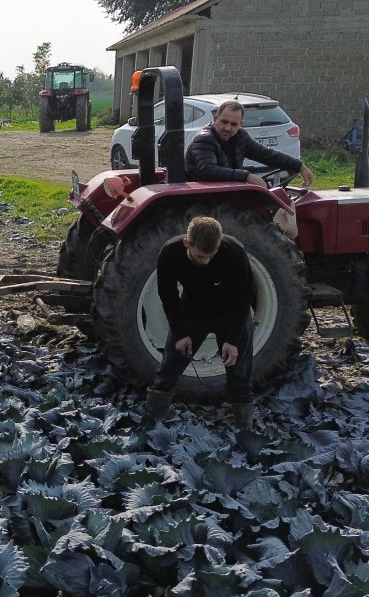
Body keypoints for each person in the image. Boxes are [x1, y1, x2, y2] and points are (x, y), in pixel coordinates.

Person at [145, 216, 255, 428]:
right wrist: (179, 334)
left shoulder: (234, 251)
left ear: (219, 245)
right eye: (200, 256)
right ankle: (151, 423)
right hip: (192, 312)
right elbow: (167, 295)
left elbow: (245, 296)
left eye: (211, 256)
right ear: (188, 243)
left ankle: (244, 428)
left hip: (230, 312)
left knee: (240, 372)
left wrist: (233, 339)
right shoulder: (170, 253)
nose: (206, 262)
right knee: (168, 368)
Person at [185, 100, 314, 188]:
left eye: (233, 124)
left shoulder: (240, 137)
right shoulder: (204, 139)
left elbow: (266, 155)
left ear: (241, 124)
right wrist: (247, 176)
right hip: (203, 197)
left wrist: (298, 166)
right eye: (224, 122)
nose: (228, 128)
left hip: (225, 192)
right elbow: (209, 171)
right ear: (215, 119)